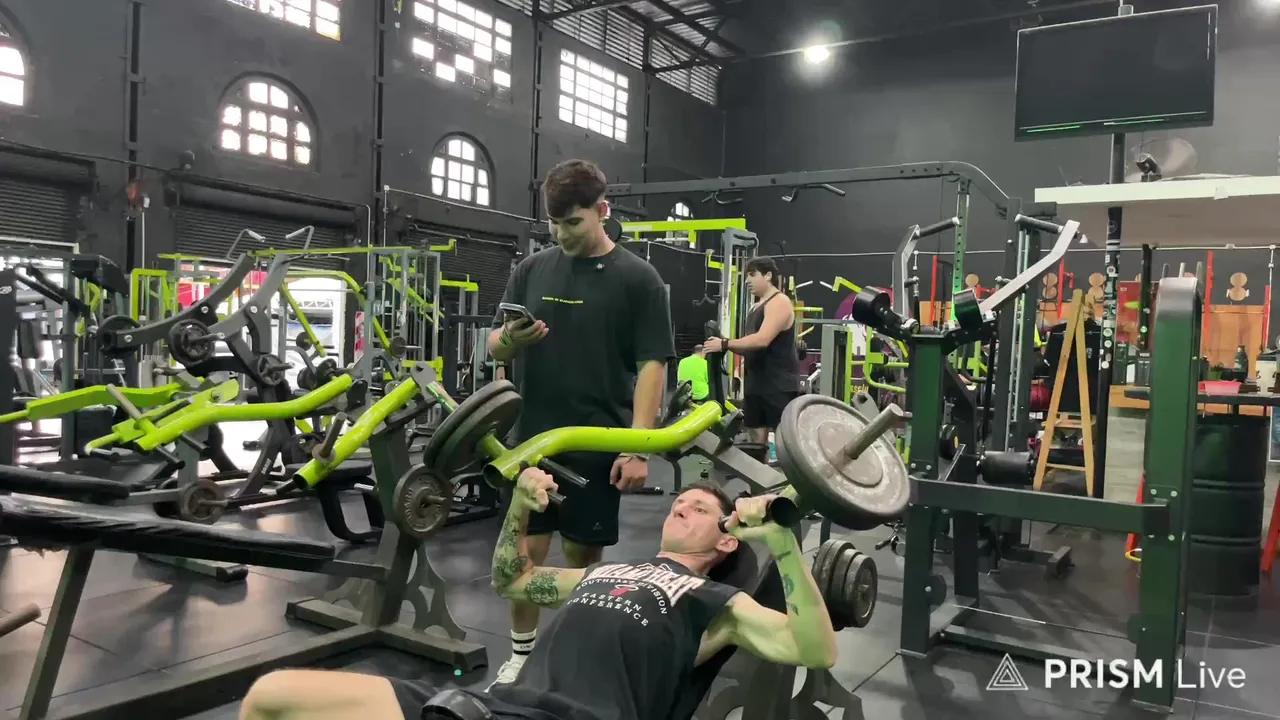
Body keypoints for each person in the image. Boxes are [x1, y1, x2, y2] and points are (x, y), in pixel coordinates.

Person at [238, 469, 838, 720]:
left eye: (700, 508)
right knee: (273, 696)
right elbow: (513, 580)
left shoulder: (714, 603)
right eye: (680, 501)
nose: (681, 506)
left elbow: (814, 649)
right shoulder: (605, 573)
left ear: (728, 539)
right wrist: (520, 509)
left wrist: (784, 545)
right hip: (495, 706)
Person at [483, 159, 676, 686]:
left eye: (573, 222)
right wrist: (511, 340)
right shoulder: (531, 270)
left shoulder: (639, 280)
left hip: (596, 440)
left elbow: (652, 367)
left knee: (580, 561)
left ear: (602, 211)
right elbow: (495, 344)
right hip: (530, 439)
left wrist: (637, 447)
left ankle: (569, 659)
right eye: (553, 223)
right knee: (523, 556)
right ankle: (520, 656)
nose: (561, 234)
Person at [704, 257, 799, 443]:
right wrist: (724, 344)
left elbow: (762, 340)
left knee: (785, 441)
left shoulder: (779, 302)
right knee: (755, 439)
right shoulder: (756, 306)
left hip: (778, 385)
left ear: (768, 275)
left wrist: (725, 343)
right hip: (756, 384)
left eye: (752, 275)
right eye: (747, 276)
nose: (747, 280)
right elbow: (750, 346)